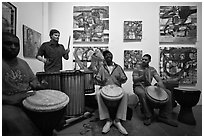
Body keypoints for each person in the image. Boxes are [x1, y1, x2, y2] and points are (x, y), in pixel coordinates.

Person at [2, 32, 48, 135]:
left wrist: (38, 85)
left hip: (27, 98)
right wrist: (13, 99)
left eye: (16, 44)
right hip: (7, 103)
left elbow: (32, 80)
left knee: (53, 108)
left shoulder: (23, 63)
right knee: (13, 119)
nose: (13, 47)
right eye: (8, 44)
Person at [132, 54, 178, 127]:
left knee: (168, 92)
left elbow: (158, 79)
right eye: (143, 59)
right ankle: (148, 116)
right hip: (138, 86)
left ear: (149, 61)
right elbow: (134, 80)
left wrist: (160, 84)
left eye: (145, 60)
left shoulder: (152, 69)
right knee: (142, 94)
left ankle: (163, 116)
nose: (143, 61)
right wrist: (142, 77)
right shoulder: (137, 68)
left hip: (148, 86)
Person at [95, 50, 129, 135]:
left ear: (112, 56)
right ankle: (108, 120)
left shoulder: (118, 67)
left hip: (117, 87)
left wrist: (122, 79)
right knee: (98, 94)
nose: (109, 56)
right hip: (105, 87)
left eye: (110, 55)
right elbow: (97, 78)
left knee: (125, 94)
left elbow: (124, 78)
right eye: (106, 56)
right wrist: (100, 81)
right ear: (104, 58)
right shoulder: (102, 67)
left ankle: (118, 120)